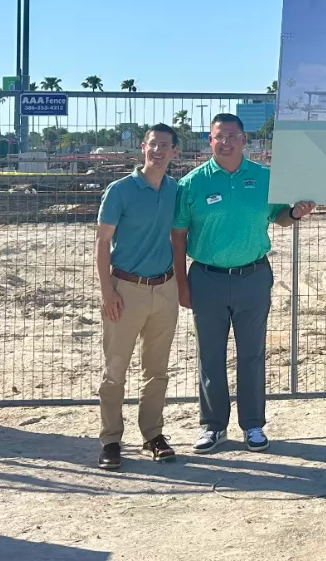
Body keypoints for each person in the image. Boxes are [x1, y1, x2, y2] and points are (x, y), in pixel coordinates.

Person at [172, 113, 314, 454]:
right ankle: (213, 426)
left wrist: (294, 214)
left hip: (253, 278)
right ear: (210, 140)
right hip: (207, 279)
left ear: (243, 140)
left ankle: (253, 425)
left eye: (233, 136)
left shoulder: (264, 178)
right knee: (210, 356)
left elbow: (279, 216)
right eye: (220, 136)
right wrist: (181, 284)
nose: (226, 142)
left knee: (252, 355)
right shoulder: (192, 184)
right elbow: (178, 237)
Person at [95, 124, 181, 470]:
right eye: (152, 145)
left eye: (164, 146)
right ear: (143, 148)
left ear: (175, 152)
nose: (157, 151)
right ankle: (111, 440)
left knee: (157, 370)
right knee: (115, 370)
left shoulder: (177, 190)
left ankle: (153, 435)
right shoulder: (120, 191)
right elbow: (102, 243)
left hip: (165, 288)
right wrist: (107, 291)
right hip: (125, 289)